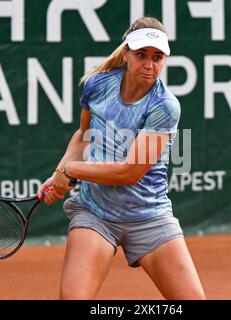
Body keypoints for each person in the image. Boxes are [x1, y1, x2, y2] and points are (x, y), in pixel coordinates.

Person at [38, 16, 206, 300]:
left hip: (149, 216)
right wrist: (60, 174)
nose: (150, 65)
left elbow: (129, 172)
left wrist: (71, 170)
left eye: (157, 57)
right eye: (141, 55)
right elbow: (83, 133)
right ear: (126, 53)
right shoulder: (98, 85)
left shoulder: (165, 106)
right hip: (96, 213)